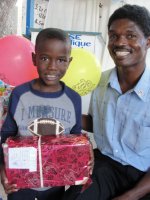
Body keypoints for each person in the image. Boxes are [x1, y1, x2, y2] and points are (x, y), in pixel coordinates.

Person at [63, 4, 150, 200]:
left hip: (145, 176)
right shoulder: (100, 81)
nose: (120, 42)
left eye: (131, 35)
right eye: (113, 36)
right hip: (106, 165)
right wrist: (65, 114)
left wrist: (130, 196)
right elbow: (98, 123)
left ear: (148, 42)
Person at [0, 28, 82, 200]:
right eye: (45, 58)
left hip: (54, 181)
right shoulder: (19, 94)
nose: (52, 67)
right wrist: (3, 169)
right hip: (20, 181)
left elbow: (75, 141)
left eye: (61, 60)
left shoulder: (74, 99)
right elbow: (7, 135)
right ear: (34, 59)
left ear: (69, 62)